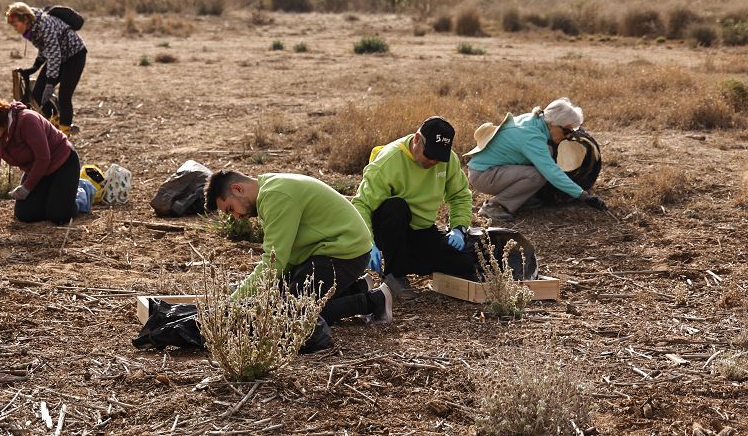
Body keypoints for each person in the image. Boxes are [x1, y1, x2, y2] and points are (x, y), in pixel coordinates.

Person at [204, 170, 393, 327]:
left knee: (291, 315)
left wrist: (231, 305)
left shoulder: (276, 196)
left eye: (231, 209)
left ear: (237, 189)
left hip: (344, 252)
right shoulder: (269, 188)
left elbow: (274, 262)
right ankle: (356, 287)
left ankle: (375, 301)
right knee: (276, 302)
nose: (236, 217)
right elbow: (284, 258)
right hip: (329, 250)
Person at [351, 116, 475, 299]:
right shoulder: (389, 160)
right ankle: (395, 274)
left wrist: (459, 227)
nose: (434, 162)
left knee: (464, 263)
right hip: (389, 229)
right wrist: (367, 243)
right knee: (396, 206)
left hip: (421, 231)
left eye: (439, 157)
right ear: (417, 139)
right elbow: (361, 204)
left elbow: (460, 196)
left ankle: (407, 261)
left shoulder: (448, 161)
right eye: (430, 155)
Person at [466, 98, 608, 221]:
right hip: (484, 175)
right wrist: (583, 195)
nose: (567, 136)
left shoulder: (535, 120)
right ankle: (495, 206)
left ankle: (520, 199)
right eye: (566, 131)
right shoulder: (531, 137)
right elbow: (551, 171)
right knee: (538, 174)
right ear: (553, 123)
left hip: (492, 170)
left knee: (547, 153)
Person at [0, 96, 95, 224]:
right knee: (25, 215)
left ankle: (81, 191)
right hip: (37, 171)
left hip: (62, 164)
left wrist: (27, 188)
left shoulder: (27, 120)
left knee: (58, 217)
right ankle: (56, 195)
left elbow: (43, 158)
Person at [6, 2, 86, 131]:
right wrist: (35, 67)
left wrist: (50, 83)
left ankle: (65, 131)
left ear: (25, 19)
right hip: (58, 56)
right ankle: (53, 124)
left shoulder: (44, 25)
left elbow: (54, 54)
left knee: (64, 95)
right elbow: (45, 49)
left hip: (74, 56)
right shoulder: (32, 27)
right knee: (38, 94)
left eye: (16, 25)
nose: (15, 29)